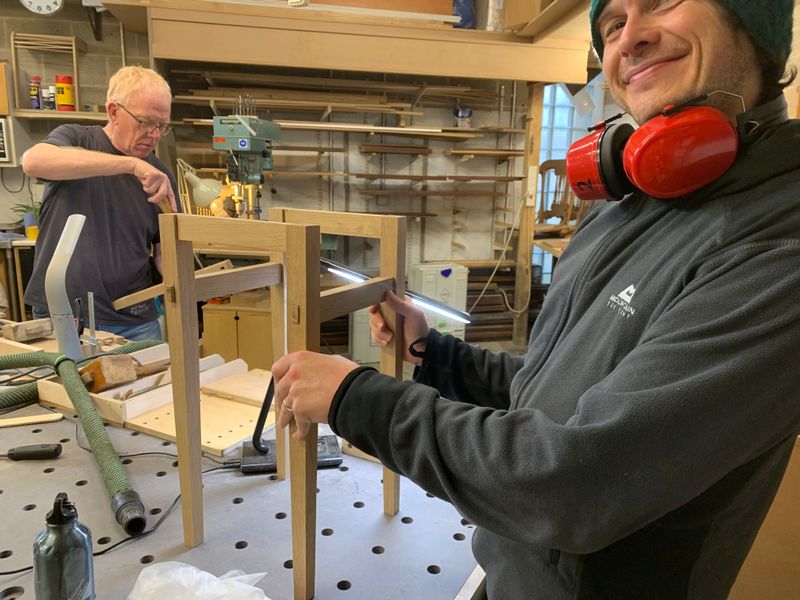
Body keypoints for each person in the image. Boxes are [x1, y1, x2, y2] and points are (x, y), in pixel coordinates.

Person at [271, 1, 800, 598]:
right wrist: (436, 354)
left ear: (757, 20)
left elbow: (575, 483)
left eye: (663, 1)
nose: (631, 39)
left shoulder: (776, 250)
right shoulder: (633, 202)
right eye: (612, 24)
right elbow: (556, 387)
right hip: (512, 574)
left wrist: (355, 399)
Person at [22, 66, 178, 341]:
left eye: (161, 126)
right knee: (63, 385)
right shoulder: (75, 139)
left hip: (135, 320)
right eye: (145, 122)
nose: (154, 134)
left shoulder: (159, 175)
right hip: (64, 315)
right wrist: (131, 165)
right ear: (114, 112)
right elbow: (33, 162)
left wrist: (185, 283)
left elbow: (162, 248)